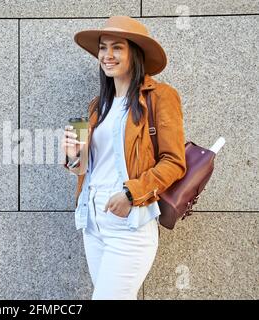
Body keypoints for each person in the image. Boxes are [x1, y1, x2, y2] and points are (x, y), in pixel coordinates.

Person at [61, 16, 187, 299]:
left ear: (135, 53)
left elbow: (174, 161)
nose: (107, 55)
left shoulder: (160, 97)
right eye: (103, 48)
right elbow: (88, 167)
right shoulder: (98, 105)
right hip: (92, 222)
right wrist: (73, 156)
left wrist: (131, 194)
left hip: (130, 224)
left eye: (117, 47)